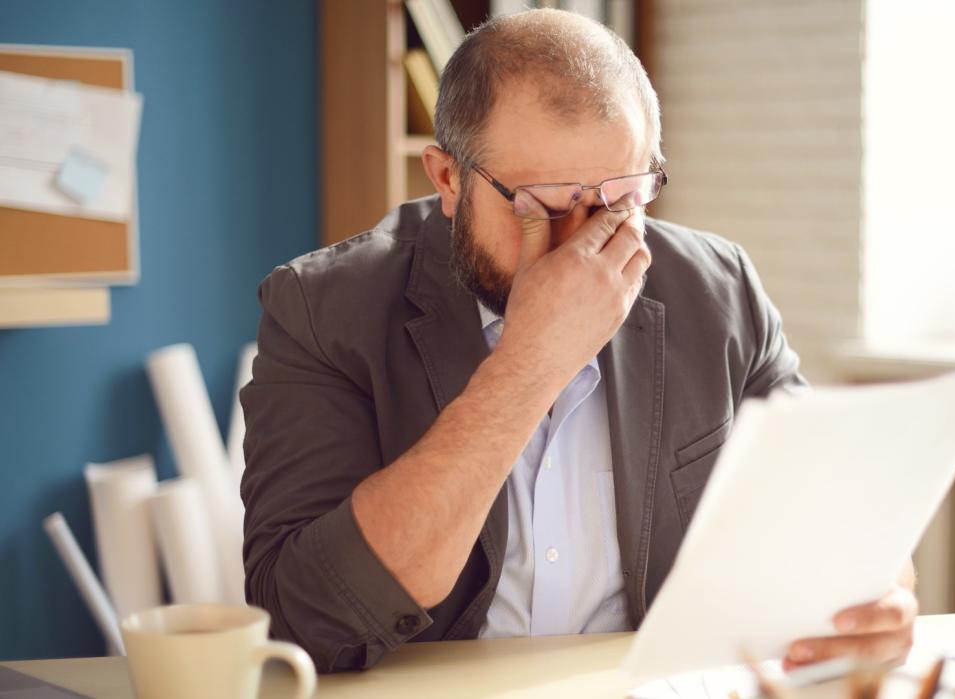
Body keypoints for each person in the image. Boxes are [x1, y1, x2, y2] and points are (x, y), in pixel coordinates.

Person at [240, 8, 917, 674]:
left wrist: (879, 597)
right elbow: (302, 622)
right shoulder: (321, 308)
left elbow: (839, 522)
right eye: (541, 206)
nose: (582, 247)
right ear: (448, 179)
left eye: (619, 198)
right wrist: (530, 361)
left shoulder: (721, 291)